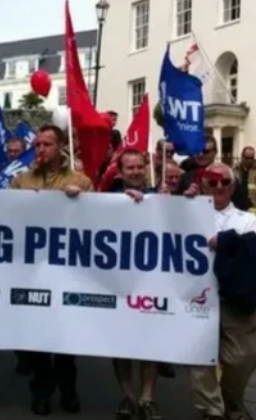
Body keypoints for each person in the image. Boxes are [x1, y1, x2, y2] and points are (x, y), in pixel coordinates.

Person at [10, 124, 92, 416]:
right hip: (32, 271)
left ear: (60, 148)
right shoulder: (21, 181)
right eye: (37, 144)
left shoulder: (81, 182)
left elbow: (95, 225)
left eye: (46, 144)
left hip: (66, 272)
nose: (40, 149)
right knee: (38, 337)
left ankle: (68, 390)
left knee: (65, 338)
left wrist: (81, 203)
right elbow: (6, 218)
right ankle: (42, 391)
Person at [189, 162, 256, 420]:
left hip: (234, 301)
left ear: (234, 186)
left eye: (225, 181)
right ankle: (211, 411)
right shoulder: (188, 214)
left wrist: (228, 242)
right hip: (195, 299)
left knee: (245, 357)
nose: (219, 186)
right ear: (203, 184)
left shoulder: (248, 220)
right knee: (199, 359)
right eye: (212, 182)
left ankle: (230, 399)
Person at [104, 150, 164, 420]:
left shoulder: (160, 197)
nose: (137, 171)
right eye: (131, 168)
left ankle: (147, 396)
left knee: (149, 342)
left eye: (140, 167)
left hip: (150, 283)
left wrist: (182, 201)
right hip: (117, 284)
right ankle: (127, 395)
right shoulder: (107, 200)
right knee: (121, 344)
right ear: (120, 172)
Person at [177, 136, 250, 210]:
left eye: (206, 151)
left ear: (215, 152)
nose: (201, 154)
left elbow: (241, 205)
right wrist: (184, 198)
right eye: (197, 151)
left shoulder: (227, 177)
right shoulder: (185, 178)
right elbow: (177, 207)